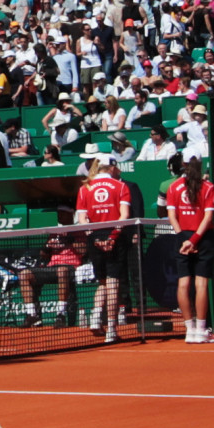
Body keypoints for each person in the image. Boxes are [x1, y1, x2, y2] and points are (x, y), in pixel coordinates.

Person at [74, 146, 132, 344]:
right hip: (114, 237)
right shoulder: (121, 186)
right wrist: (112, 237)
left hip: (94, 237)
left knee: (103, 282)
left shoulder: (85, 188)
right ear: (112, 167)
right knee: (113, 282)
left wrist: (95, 237)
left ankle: (96, 317)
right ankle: (111, 329)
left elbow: (82, 219)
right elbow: (124, 217)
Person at [165, 150, 214, 343]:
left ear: (183, 164)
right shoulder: (208, 186)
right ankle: (201, 331)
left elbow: (172, 216)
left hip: (183, 238)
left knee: (183, 283)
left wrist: (183, 239)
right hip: (202, 238)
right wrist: (194, 240)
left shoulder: (173, 187)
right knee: (201, 284)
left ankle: (190, 331)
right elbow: (208, 217)